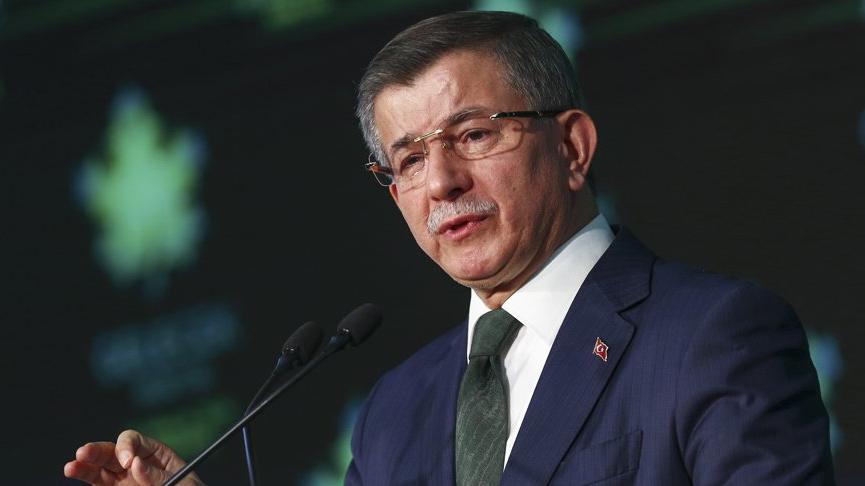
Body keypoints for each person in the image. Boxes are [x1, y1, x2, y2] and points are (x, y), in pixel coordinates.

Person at [65, 10, 834, 486]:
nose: (440, 181)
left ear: (571, 146)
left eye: (472, 135)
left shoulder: (711, 335)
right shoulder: (397, 407)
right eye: (407, 159)